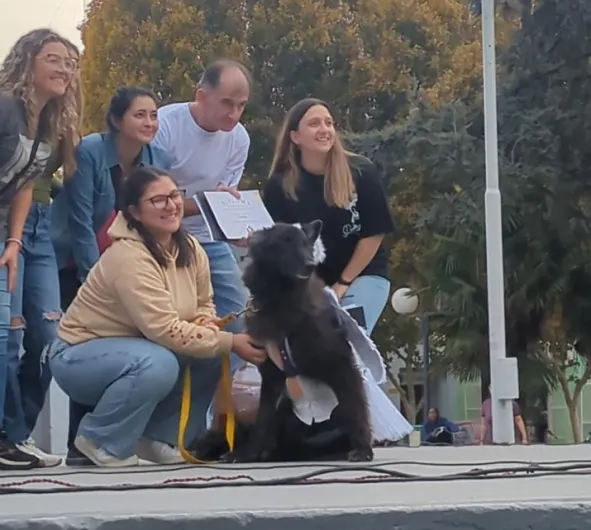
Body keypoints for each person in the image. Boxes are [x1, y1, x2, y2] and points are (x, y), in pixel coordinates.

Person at [49, 167, 265, 468]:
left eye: (175, 195)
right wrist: (229, 340)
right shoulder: (127, 258)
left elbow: (204, 303)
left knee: (211, 352)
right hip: (78, 357)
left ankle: (161, 438)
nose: (172, 205)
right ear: (135, 212)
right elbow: (163, 329)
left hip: (143, 348)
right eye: (158, 200)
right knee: (161, 362)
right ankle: (99, 439)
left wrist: (206, 322)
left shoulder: (191, 248)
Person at [51, 86, 171, 462]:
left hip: (128, 269)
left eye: (154, 115)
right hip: (76, 263)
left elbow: (156, 219)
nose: (150, 123)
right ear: (117, 120)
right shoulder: (89, 152)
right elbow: (80, 220)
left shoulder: (158, 158)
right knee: (89, 345)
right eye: (140, 115)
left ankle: (113, 439)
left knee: (126, 350)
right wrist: (94, 275)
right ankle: (78, 443)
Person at [0, 28, 80, 468]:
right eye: (53, 58)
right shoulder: (5, 107)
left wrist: (15, 239)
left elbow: (31, 184)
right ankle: (7, 437)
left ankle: (18, 435)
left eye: (70, 62)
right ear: (27, 60)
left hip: (31, 232)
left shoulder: (50, 121)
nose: (64, 68)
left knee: (49, 338)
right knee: (8, 339)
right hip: (6, 228)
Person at [263, 98, 394, 335]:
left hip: (363, 274)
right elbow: (280, 248)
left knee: (347, 337)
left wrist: (343, 284)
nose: (324, 130)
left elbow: (374, 234)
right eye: (314, 124)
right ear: (295, 136)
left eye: (329, 123)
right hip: (311, 284)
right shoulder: (278, 186)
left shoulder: (362, 172)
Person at [153, 60, 250, 328]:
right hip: (161, 238)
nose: (234, 114)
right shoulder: (165, 125)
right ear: (201, 96)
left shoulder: (239, 139)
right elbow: (155, 205)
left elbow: (225, 201)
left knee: (238, 317)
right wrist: (209, 204)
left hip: (208, 238)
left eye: (241, 105)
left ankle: (233, 370)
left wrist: (236, 225)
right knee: (174, 318)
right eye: (227, 103)